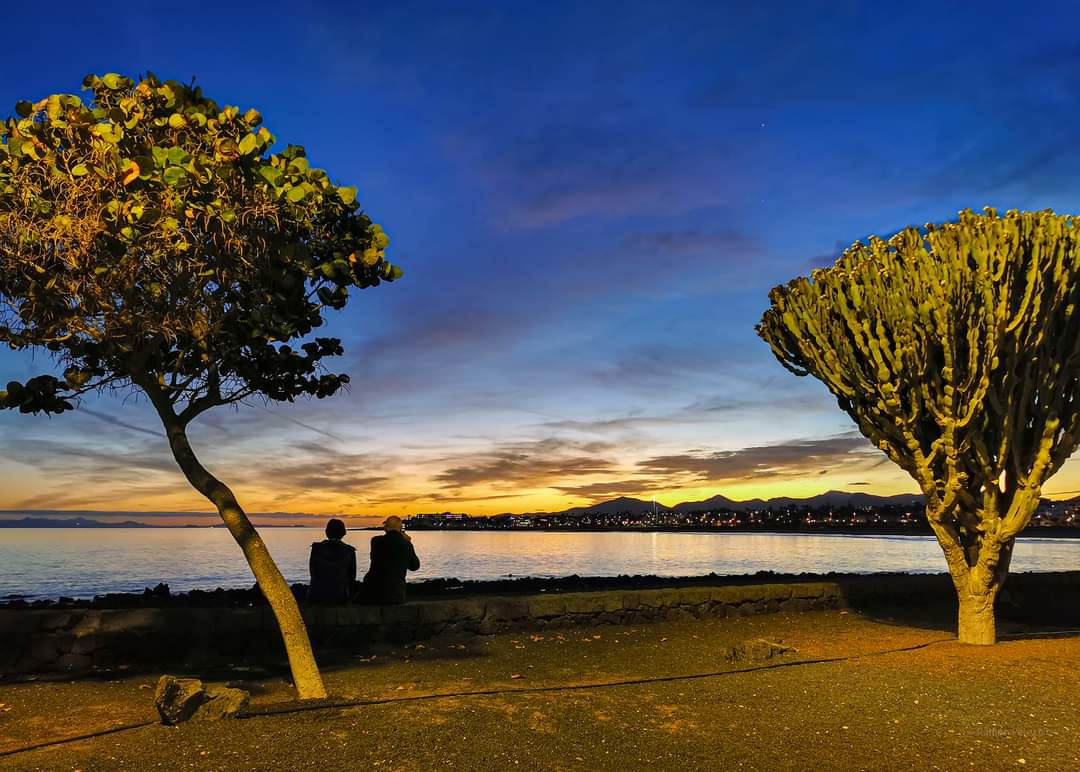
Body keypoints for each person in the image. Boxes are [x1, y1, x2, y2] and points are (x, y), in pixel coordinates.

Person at [362, 515, 420, 604]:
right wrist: (408, 542)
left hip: (373, 593)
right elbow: (414, 566)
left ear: (385, 527)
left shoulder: (376, 541)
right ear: (401, 529)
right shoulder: (406, 544)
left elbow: (373, 557)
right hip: (396, 595)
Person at [306, 518, 357, 605]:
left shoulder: (316, 548)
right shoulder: (349, 551)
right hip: (340, 597)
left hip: (316, 596)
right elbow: (352, 577)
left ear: (327, 532)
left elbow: (313, 573)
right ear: (344, 533)